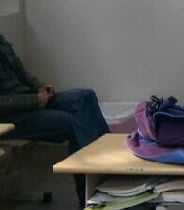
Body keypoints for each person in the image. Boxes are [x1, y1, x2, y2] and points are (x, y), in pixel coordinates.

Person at [0, 33, 109, 206]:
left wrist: (39, 86)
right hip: (9, 118)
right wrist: (34, 100)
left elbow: (21, 73)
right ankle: (91, 197)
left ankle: (108, 171)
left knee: (84, 97)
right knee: (75, 123)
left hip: (28, 100)